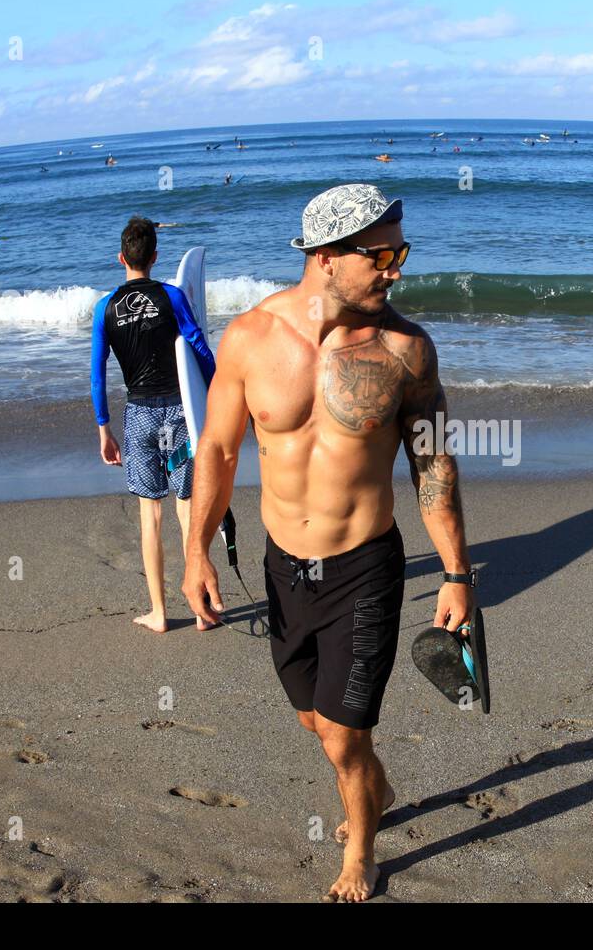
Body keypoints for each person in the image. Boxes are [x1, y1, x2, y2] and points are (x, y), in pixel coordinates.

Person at [181, 184, 473, 903]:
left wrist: (459, 574)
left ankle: (362, 855)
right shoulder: (249, 339)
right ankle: (373, 784)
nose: (395, 269)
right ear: (324, 257)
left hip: (366, 567)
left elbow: (432, 463)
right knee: (317, 720)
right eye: (382, 254)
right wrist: (195, 553)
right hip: (284, 571)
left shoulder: (406, 350)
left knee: (344, 735)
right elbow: (217, 451)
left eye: (400, 253)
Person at [91, 215, 216, 633]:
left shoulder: (104, 308)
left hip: (140, 417)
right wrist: (215, 394)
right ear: (155, 256)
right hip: (180, 415)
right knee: (186, 508)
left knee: (151, 515)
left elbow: (96, 372)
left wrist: (103, 427)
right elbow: (197, 345)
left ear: (121, 257)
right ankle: (201, 608)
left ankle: (160, 614)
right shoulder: (172, 295)